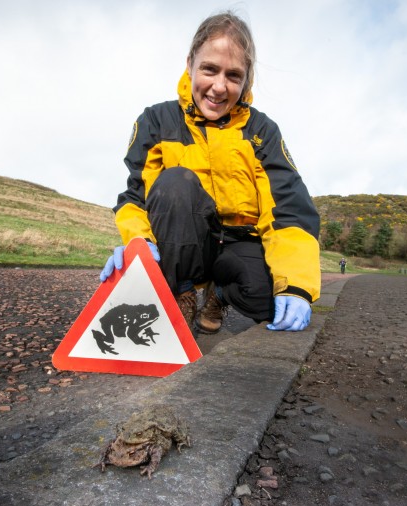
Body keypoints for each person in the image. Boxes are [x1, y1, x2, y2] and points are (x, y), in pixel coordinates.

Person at [100, 11, 321, 333]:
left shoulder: (263, 131)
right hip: (184, 242)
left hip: (239, 242)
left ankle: (218, 294)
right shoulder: (156, 120)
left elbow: (288, 211)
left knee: (268, 301)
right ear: (190, 63)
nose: (219, 87)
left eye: (233, 75)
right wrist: (138, 242)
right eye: (209, 69)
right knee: (176, 181)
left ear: (247, 80)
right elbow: (136, 196)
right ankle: (183, 292)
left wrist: (297, 285)